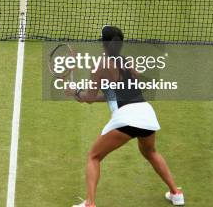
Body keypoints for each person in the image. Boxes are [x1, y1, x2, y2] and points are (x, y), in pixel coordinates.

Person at [70, 26, 184, 207]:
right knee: (150, 152)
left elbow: (90, 98)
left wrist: (76, 93)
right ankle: (176, 193)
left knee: (94, 156)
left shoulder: (100, 65)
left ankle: (90, 203)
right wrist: (83, 95)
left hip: (126, 117)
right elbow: (120, 93)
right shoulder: (127, 62)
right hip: (146, 113)